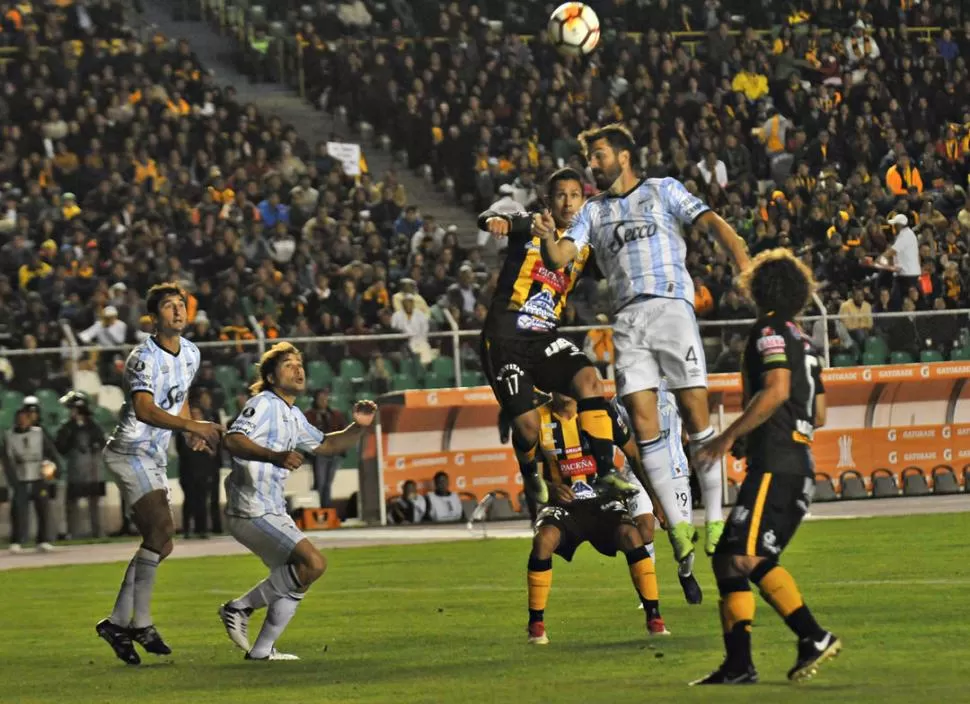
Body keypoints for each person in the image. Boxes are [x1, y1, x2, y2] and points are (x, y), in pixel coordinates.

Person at [534, 123, 750, 565]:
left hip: (671, 308)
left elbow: (713, 224)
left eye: (599, 155)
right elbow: (558, 258)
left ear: (623, 155)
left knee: (694, 416)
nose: (593, 164)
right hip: (629, 320)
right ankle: (678, 528)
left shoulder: (663, 190)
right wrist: (544, 233)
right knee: (642, 420)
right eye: (591, 157)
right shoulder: (593, 212)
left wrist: (742, 261)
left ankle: (713, 516)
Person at [691, 249, 840, 685]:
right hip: (791, 458)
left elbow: (775, 389)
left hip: (779, 463)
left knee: (745, 557)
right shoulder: (804, 341)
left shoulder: (769, 330)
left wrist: (728, 436)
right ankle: (739, 664)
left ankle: (813, 635)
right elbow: (821, 412)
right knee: (725, 559)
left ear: (759, 289)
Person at [478, 167, 637, 506]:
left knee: (590, 381)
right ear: (549, 201)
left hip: (545, 338)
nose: (568, 202)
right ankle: (530, 473)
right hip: (505, 339)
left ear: (584, 200)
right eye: (561, 195)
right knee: (527, 427)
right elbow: (490, 216)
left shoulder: (583, 244)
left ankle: (606, 468)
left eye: (575, 195)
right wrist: (495, 221)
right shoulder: (533, 225)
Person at [218, 342, 376, 661]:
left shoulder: (292, 414)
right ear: (272, 377)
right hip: (251, 506)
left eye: (300, 363)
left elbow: (328, 444)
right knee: (314, 563)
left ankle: (262, 650)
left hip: (270, 507)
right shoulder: (263, 403)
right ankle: (239, 608)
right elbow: (232, 439)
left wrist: (358, 428)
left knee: (299, 576)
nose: (298, 369)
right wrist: (274, 456)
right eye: (289, 365)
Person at [95, 283, 225, 666]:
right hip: (128, 451)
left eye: (181, 305)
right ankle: (141, 623)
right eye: (169, 306)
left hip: (153, 455)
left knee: (161, 542)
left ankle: (118, 623)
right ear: (154, 317)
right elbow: (146, 410)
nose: (178, 311)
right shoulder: (141, 358)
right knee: (162, 532)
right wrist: (196, 427)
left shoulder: (192, 353)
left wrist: (188, 428)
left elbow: (180, 396)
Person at [526, 392, 665, 645]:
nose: (563, 388)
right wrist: (549, 487)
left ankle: (654, 617)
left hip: (602, 501)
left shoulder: (600, 413)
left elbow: (633, 454)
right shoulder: (536, 419)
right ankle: (536, 624)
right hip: (563, 505)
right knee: (543, 540)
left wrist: (655, 500)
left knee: (631, 535)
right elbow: (529, 475)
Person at [612, 381, 704, 606]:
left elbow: (688, 428)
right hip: (639, 474)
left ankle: (685, 574)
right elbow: (619, 441)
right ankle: (648, 594)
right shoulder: (620, 400)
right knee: (643, 528)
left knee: (682, 541)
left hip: (675, 473)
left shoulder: (674, 390)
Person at [3, 401, 58, 553]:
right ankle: (16, 540)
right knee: (18, 510)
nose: (23, 421)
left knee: (42, 509)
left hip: (38, 475)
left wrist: (51, 468)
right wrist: (12, 479)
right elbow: (8, 459)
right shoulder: (9, 435)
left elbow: (50, 452)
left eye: (25, 418)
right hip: (20, 476)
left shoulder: (39, 432)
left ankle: (43, 539)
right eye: (20, 418)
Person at [55, 391, 106, 539]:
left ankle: (98, 532)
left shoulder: (93, 426)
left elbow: (101, 443)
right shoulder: (67, 427)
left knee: (94, 503)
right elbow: (60, 446)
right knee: (72, 503)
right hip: (75, 469)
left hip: (93, 469)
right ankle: (74, 532)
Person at [304, 388, 347, 509]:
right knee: (320, 482)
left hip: (334, 453)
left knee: (328, 483)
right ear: (315, 400)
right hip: (319, 453)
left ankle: (326, 509)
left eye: (325, 398)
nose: (323, 401)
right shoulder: (309, 415)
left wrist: (341, 448)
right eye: (321, 399)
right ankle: (318, 508)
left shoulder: (336, 414)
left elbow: (343, 431)